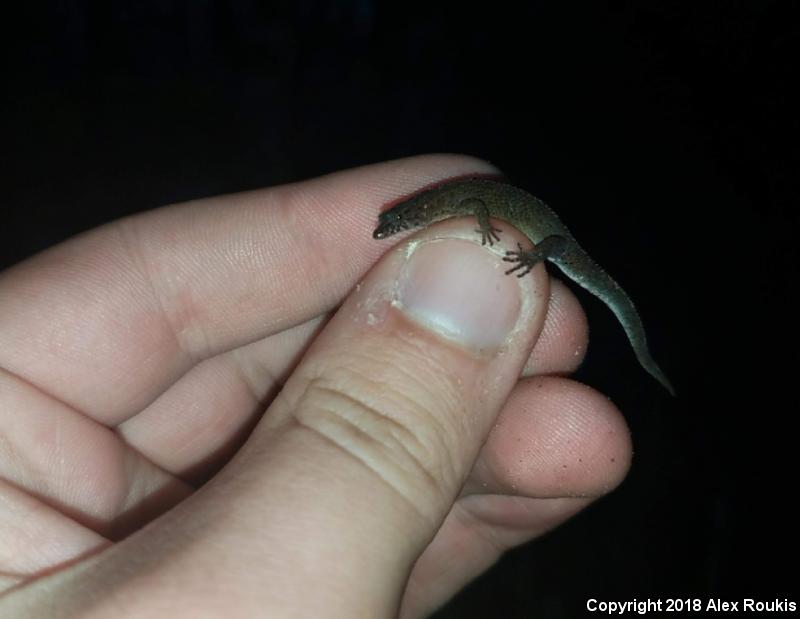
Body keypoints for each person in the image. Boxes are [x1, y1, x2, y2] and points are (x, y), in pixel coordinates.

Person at [0, 155, 631, 618]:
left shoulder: (458, 208)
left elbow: (474, 209)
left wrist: (514, 251)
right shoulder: (440, 206)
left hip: (550, 241)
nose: (387, 233)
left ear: (417, 216)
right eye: (390, 226)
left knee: (588, 295)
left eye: (394, 226)